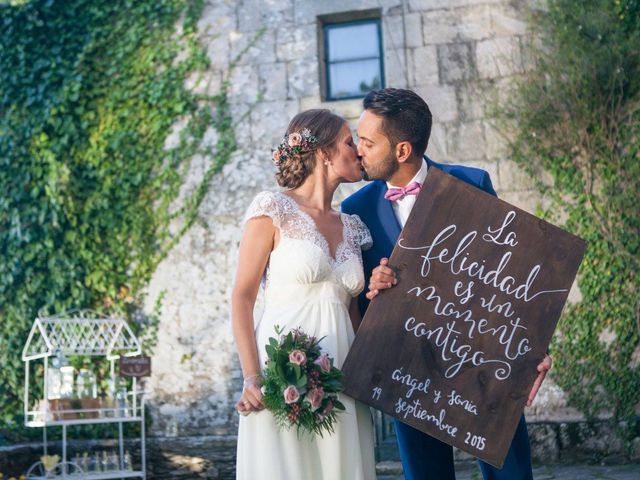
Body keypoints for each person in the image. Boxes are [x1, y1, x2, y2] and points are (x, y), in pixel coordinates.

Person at [341, 88, 553, 480]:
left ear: (402, 150)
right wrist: (373, 288)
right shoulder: (355, 210)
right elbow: (360, 305)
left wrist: (533, 349)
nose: (358, 151)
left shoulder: (473, 183)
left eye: (368, 142)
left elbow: (512, 280)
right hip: (408, 371)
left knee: (511, 474)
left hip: (484, 365)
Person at [232, 109, 376, 479]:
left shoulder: (352, 225)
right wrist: (251, 378)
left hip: (342, 375)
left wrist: (371, 375)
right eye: (349, 141)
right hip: (282, 373)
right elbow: (242, 297)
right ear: (324, 152)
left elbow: (354, 313)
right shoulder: (273, 209)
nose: (358, 150)